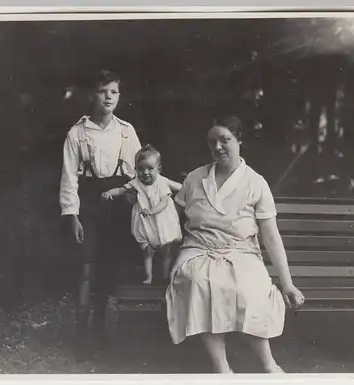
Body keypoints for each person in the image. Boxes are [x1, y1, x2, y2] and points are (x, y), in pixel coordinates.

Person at [165, 115, 305, 373]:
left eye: (225, 140)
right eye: (212, 142)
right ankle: (223, 369)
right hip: (198, 250)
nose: (217, 147)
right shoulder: (196, 178)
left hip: (241, 251)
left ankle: (268, 365)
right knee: (199, 283)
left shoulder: (255, 182)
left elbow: (271, 235)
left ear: (239, 141)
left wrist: (287, 283)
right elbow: (171, 216)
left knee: (248, 286)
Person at [59, 69, 141, 354]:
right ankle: (82, 336)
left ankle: (100, 330)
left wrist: (137, 205)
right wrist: (73, 216)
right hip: (88, 204)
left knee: (107, 267)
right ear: (92, 95)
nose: (108, 96)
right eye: (103, 90)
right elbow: (69, 178)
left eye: (114, 92)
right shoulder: (77, 132)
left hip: (117, 204)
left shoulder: (126, 131)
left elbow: (139, 174)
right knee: (85, 266)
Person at [102, 145, 183, 284]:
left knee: (166, 250)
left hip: (162, 220)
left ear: (158, 169)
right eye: (140, 169)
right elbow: (122, 189)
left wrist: (151, 211)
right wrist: (110, 193)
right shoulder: (136, 182)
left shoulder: (161, 182)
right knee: (146, 250)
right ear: (136, 169)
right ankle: (148, 276)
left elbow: (164, 202)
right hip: (145, 222)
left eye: (150, 169)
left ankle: (165, 275)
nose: (145, 173)